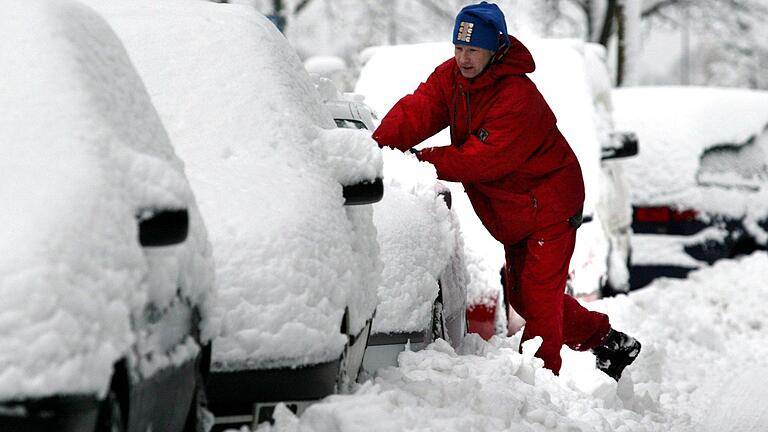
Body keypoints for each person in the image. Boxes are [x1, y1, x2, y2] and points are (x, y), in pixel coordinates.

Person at [372, 1, 641, 380]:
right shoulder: (452, 78)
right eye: (459, 49)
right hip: (514, 210)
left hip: (549, 203)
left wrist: (417, 157)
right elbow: (419, 109)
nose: (464, 59)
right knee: (524, 299)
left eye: (473, 50)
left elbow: (479, 160)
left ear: (495, 49)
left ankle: (542, 383)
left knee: (541, 300)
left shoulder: (517, 97)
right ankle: (608, 340)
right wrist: (377, 148)